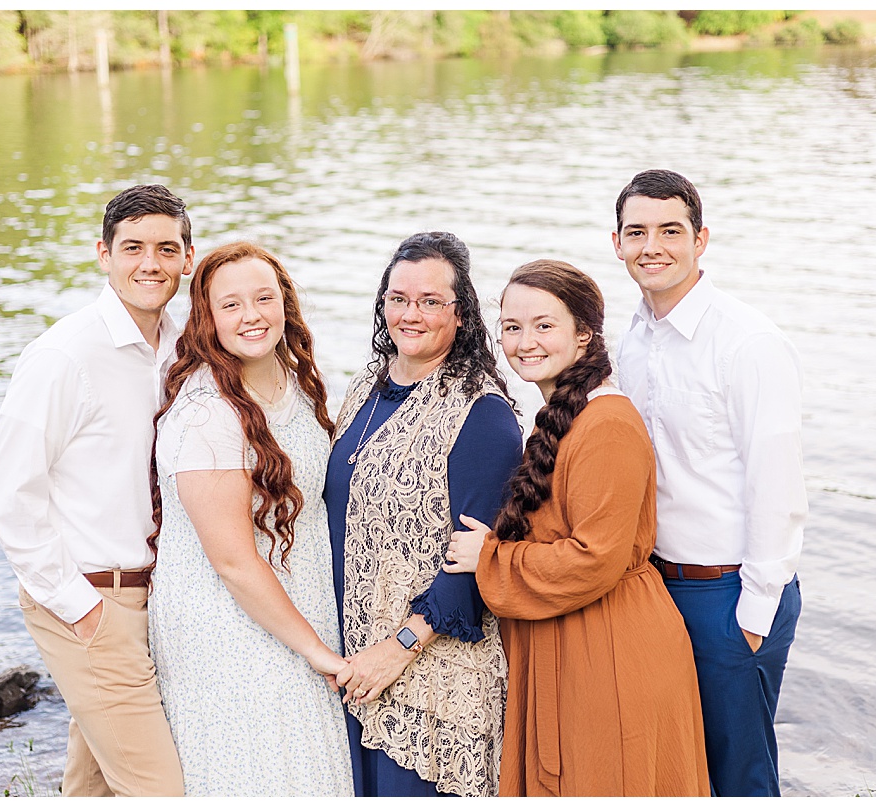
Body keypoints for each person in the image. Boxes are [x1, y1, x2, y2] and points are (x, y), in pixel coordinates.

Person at [445, 259, 710, 797]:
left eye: (544, 326)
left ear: (584, 334)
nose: (525, 342)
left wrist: (490, 558)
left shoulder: (607, 425)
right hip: (573, 643)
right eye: (512, 327)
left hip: (610, 654)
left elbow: (596, 558)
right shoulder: (562, 416)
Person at [0, 184, 192, 796]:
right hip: (90, 598)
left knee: (93, 785)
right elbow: (9, 497)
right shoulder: (62, 356)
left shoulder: (183, 349)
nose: (149, 263)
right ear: (103, 254)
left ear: (187, 256)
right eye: (132, 248)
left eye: (165, 248)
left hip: (158, 599)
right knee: (162, 791)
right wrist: (82, 609)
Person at [611, 169, 806, 796]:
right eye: (637, 232)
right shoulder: (633, 339)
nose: (653, 246)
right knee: (678, 769)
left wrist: (752, 614)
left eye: (671, 230)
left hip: (729, 593)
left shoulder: (747, 342)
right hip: (656, 587)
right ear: (616, 243)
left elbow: (776, 484)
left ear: (701, 239)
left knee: (739, 776)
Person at [147, 242, 353, 796]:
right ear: (206, 318)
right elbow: (233, 560)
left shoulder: (295, 378)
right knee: (267, 771)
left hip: (297, 601)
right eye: (231, 305)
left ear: (285, 302)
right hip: (230, 623)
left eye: (264, 298)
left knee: (314, 765)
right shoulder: (205, 412)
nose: (252, 315)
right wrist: (317, 652)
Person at [324, 231, 523, 797]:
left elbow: (472, 563)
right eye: (398, 298)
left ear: (461, 315)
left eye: (430, 301)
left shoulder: (483, 414)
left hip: (432, 677)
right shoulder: (367, 385)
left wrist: (398, 649)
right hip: (353, 664)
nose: (410, 315)